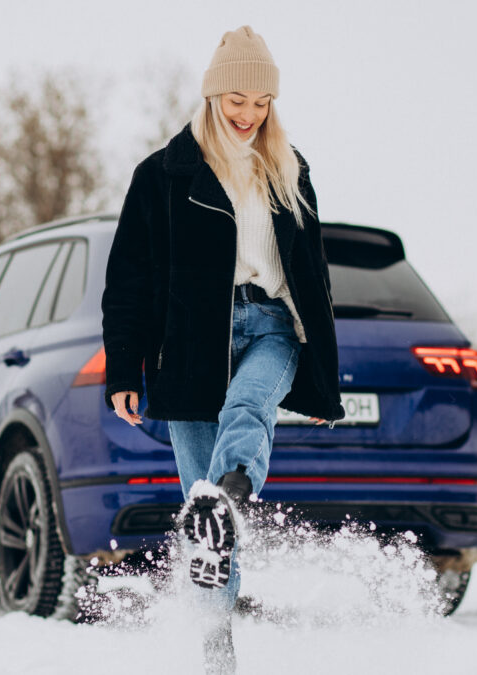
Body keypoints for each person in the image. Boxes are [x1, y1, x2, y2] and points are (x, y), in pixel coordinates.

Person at [101, 25, 344, 672]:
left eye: (261, 102)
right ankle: (217, 654)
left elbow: (312, 278)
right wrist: (125, 365)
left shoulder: (289, 169)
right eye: (236, 98)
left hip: (269, 327)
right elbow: (130, 278)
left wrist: (322, 374)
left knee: (246, 413)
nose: (248, 114)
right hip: (189, 347)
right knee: (203, 520)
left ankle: (234, 489)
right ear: (212, 95)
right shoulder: (163, 175)